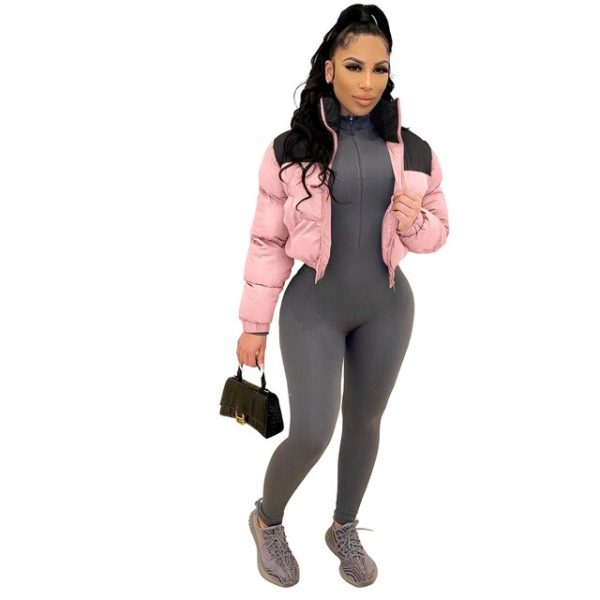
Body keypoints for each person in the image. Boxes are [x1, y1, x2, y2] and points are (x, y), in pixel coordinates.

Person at [237, 4, 449, 588]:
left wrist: (411, 221)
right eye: (354, 66)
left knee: (365, 420)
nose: (367, 82)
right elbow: (267, 241)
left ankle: (343, 526)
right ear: (329, 69)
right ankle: (267, 519)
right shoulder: (290, 149)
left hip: (387, 306)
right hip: (315, 309)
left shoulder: (415, 151)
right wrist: (254, 325)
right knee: (312, 430)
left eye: (380, 69)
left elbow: (437, 233)